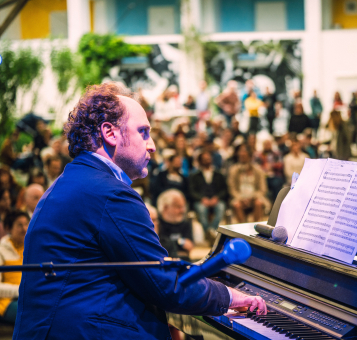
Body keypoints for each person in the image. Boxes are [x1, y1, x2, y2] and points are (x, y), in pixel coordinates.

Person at [13, 83, 266, 340]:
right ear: (110, 133)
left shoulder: (72, 180)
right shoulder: (110, 193)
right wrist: (231, 296)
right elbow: (166, 286)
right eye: (143, 132)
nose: (152, 145)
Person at [189, 152, 228, 241]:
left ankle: (211, 231)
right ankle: (209, 232)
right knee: (202, 210)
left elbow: (224, 190)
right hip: (201, 200)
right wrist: (201, 199)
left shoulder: (218, 174)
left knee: (221, 207)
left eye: (208, 159)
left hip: (216, 200)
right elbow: (192, 191)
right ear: (200, 161)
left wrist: (217, 197)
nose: (207, 161)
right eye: (204, 159)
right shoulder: (195, 175)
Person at [0, 210, 29, 324]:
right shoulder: (1, 250)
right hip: (6, 302)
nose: (25, 229)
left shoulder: (31, 248)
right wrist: (21, 290)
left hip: (29, 296)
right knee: (30, 313)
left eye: (26, 224)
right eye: (19, 225)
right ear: (8, 228)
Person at [228, 145, 269, 223]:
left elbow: (263, 189)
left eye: (244, 156)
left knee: (258, 203)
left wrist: (252, 197)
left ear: (250, 157)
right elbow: (232, 189)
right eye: (241, 156)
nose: (242, 158)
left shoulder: (258, 170)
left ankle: (256, 226)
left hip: (254, 197)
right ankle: (242, 228)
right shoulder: (234, 170)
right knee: (237, 205)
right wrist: (241, 198)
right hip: (239, 197)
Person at [157, 189, 195, 259]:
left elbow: (189, 246)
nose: (182, 210)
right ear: (165, 207)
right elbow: (158, 247)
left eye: (183, 206)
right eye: (178, 207)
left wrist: (171, 243)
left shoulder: (186, 222)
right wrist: (180, 242)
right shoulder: (156, 222)